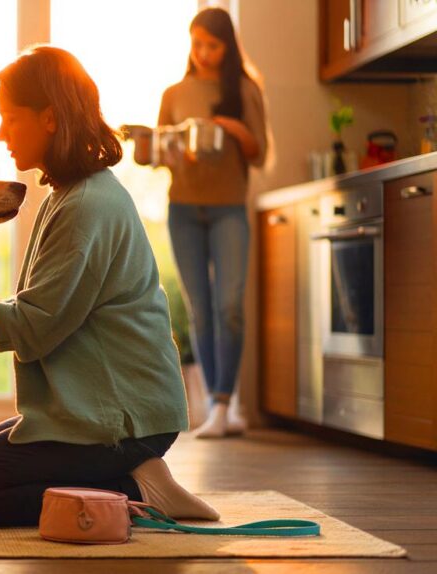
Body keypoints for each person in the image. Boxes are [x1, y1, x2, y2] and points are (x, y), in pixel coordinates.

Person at [0, 45, 219, 527]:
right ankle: (127, 477)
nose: (1, 134)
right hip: (92, 409)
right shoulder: (71, 194)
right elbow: (38, 311)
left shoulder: (85, 207)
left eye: (10, 119)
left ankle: (132, 489)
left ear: (51, 119)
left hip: (121, 422)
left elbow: (31, 329)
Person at [157, 8, 269, 439]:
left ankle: (224, 402)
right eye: (196, 42)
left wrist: (232, 129)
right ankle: (219, 404)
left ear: (227, 46)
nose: (202, 53)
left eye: (212, 45)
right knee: (200, 311)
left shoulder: (244, 89)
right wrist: (171, 150)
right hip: (183, 209)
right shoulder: (173, 92)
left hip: (228, 209)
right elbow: (160, 152)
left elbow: (259, 153)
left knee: (230, 307)